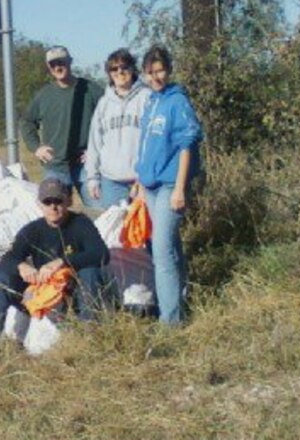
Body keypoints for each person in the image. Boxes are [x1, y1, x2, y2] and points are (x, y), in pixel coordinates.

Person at [0, 177, 111, 334]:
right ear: (39, 205)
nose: (53, 207)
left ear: (68, 201)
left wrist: (62, 262)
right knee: (0, 281)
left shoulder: (81, 224)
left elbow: (101, 253)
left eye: (58, 201)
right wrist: (21, 266)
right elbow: (7, 258)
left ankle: (90, 332)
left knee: (90, 273)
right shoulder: (32, 230)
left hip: (73, 291)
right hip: (41, 291)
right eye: (47, 202)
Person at [133, 45, 203, 325]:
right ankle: (180, 302)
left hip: (170, 185)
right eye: (150, 72)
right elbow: (146, 144)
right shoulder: (151, 101)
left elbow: (187, 144)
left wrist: (179, 188)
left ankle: (170, 322)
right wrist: (139, 181)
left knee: (161, 253)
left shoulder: (177, 102)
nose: (156, 77)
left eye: (160, 70)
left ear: (169, 69)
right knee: (170, 247)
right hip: (149, 184)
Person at [20, 45, 101, 207]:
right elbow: (27, 121)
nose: (58, 67)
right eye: (53, 64)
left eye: (62, 62)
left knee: (100, 213)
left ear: (70, 62)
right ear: (49, 68)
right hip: (55, 166)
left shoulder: (91, 89)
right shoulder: (44, 95)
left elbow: (110, 119)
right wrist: (37, 147)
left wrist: (97, 151)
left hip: (87, 165)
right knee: (55, 216)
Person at [84, 47, 150, 210]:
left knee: (143, 232)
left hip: (142, 180)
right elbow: (95, 144)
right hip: (111, 181)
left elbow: (154, 141)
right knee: (115, 233)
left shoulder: (147, 97)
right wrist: (92, 178)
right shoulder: (104, 103)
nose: (119, 72)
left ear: (132, 69)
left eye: (124, 67)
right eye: (114, 68)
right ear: (109, 73)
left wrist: (145, 177)